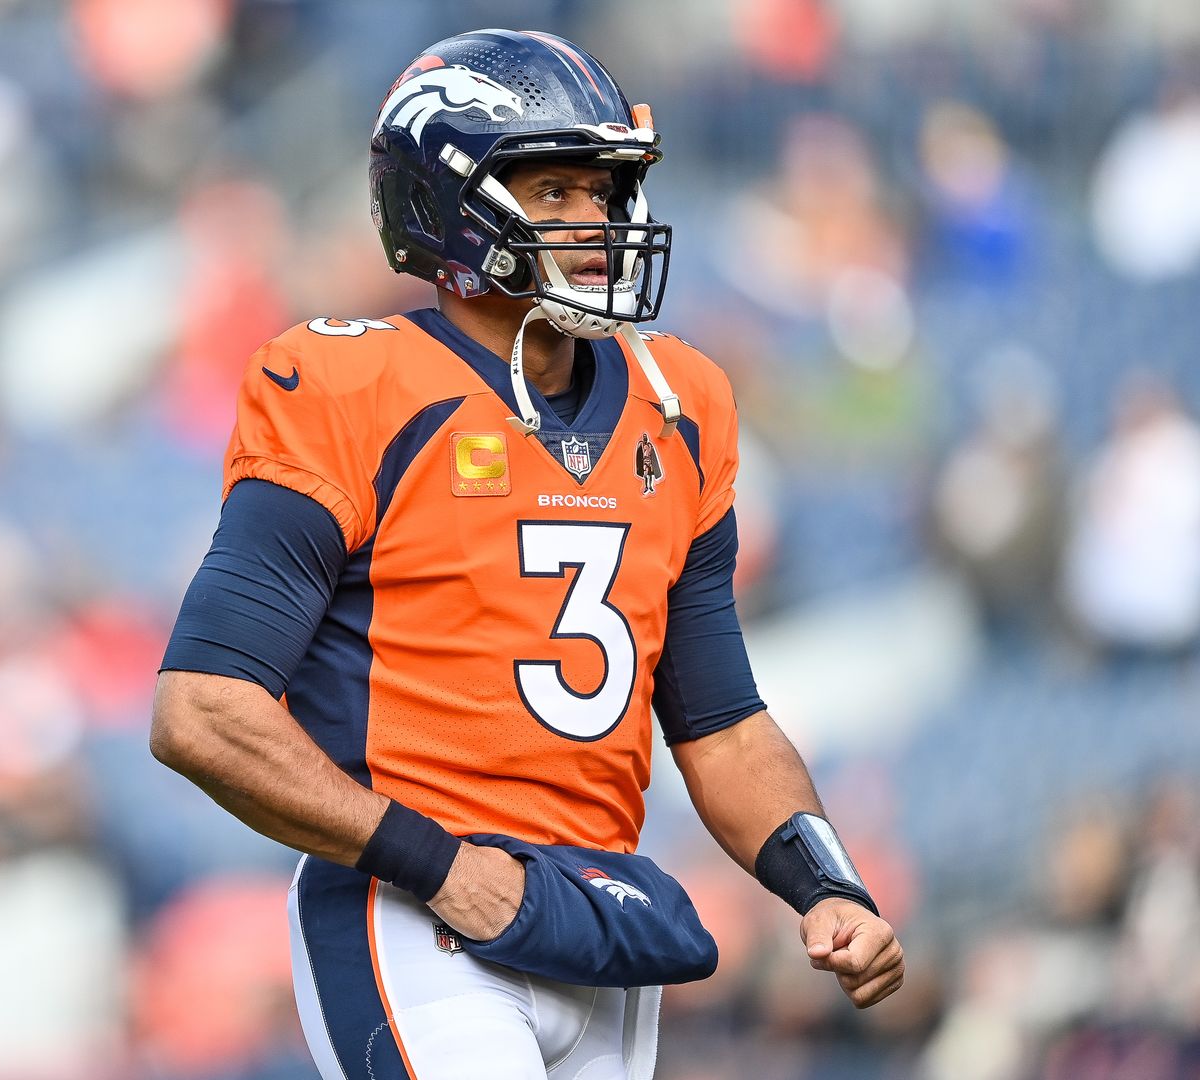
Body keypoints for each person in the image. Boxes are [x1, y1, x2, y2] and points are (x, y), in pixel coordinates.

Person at [150, 29, 904, 1079]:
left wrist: (824, 882)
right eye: (551, 193)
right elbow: (202, 713)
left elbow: (721, 719)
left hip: (592, 924)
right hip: (417, 917)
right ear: (447, 203)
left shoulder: (682, 405)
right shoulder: (348, 386)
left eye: (600, 192)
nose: (593, 222)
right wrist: (440, 864)